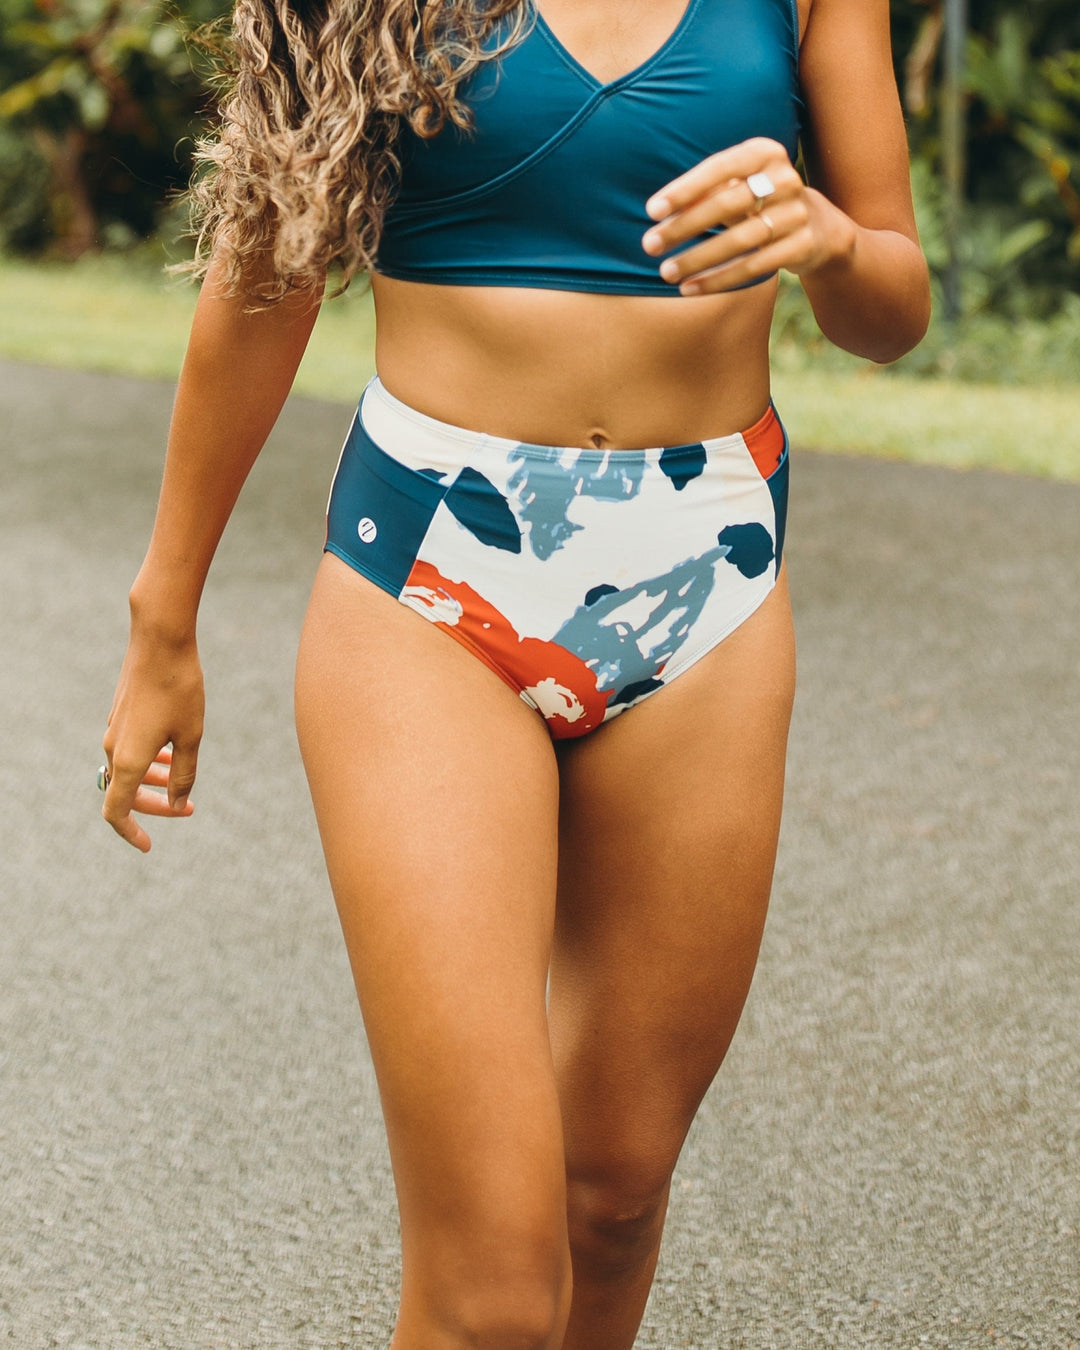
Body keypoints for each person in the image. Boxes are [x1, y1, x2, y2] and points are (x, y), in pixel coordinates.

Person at [99, 0, 930, 1345]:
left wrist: (832, 244)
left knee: (610, 1195)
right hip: (431, 576)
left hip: (704, 576)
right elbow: (267, 272)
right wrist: (163, 618)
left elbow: (893, 305)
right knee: (491, 1289)